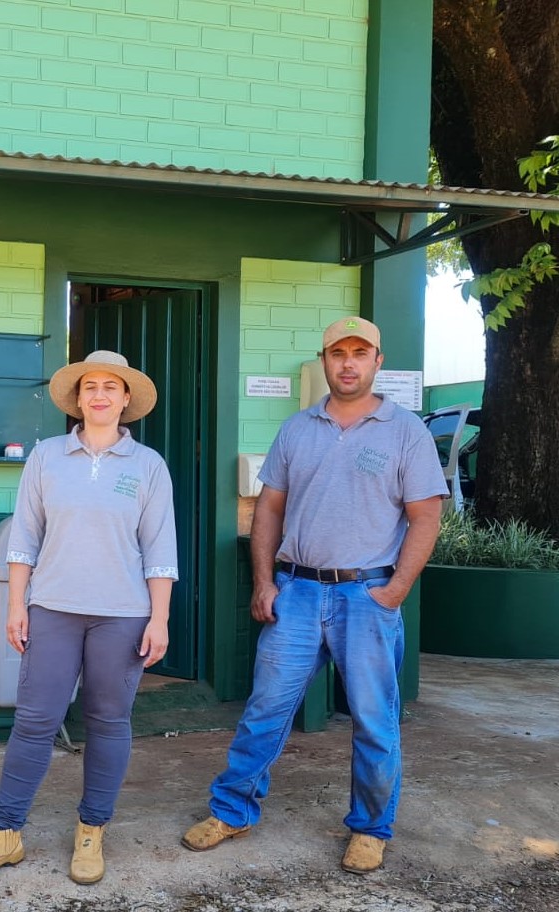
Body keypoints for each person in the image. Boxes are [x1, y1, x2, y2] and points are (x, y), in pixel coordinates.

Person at [181, 316, 447, 875]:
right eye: (337, 353)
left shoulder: (406, 432)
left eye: (360, 352)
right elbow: (269, 509)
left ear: (377, 361)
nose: (347, 363)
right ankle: (232, 810)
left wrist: (396, 589)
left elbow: (426, 516)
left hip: (368, 594)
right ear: (324, 361)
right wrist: (263, 581)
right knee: (265, 710)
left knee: (375, 719)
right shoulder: (296, 429)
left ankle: (371, 828)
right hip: (297, 591)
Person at [0, 350, 178, 886]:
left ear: (126, 400)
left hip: (123, 616)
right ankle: (5, 834)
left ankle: (91, 830)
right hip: (52, 610)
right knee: (33, 724)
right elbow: (25, 536)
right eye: (90, 386)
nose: (99, 394)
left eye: (111, 386)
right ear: (77, 398)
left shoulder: (148, 466)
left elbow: (160, 547)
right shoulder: (47, 457)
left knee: (107, 723)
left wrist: (160, 619)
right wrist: (17, 606)